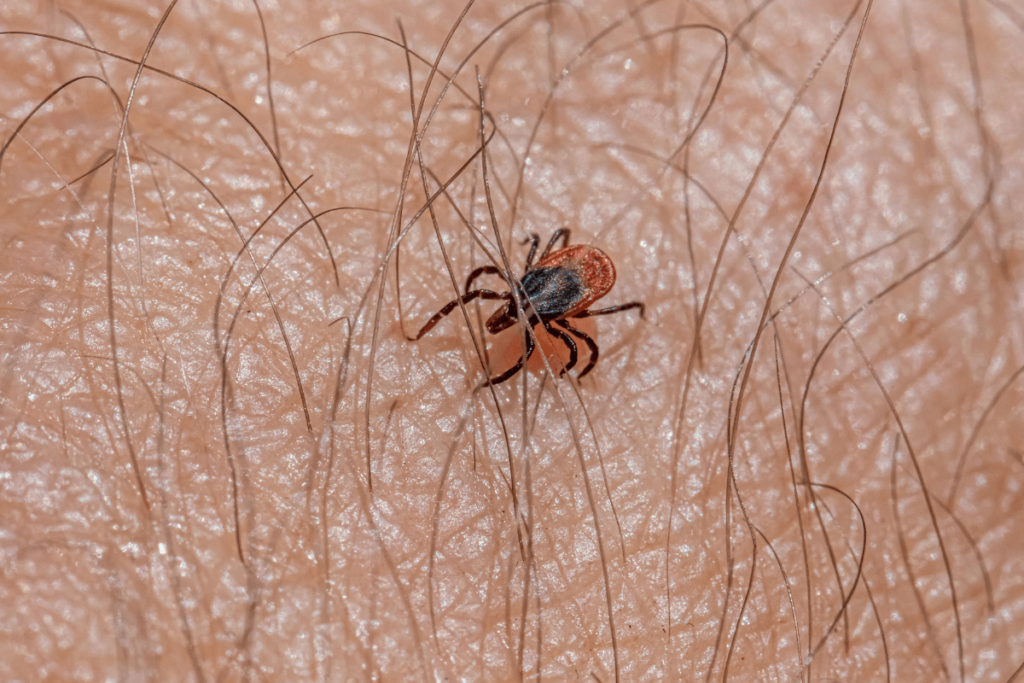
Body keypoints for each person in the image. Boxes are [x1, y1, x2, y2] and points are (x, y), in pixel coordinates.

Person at [0, 0, 1019, 679]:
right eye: (532, 311)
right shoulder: (523, 291)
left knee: (571, 329)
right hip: (561, 261)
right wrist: (504, 315)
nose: (526, 319)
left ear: (554, 307)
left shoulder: (567, 309)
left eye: (539, 319)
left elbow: (573, 333)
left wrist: (560, 339)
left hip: (581, 268)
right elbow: (521, 298)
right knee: (508, 291)